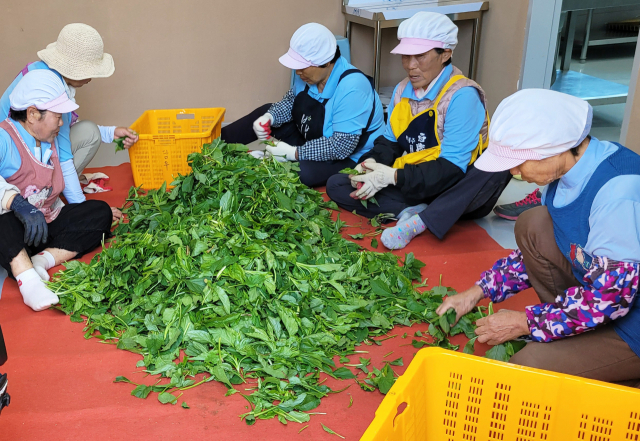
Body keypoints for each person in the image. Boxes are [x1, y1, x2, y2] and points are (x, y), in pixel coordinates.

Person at [437, 89, 640, 386]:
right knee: (534, 224)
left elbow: (611, 299)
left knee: (528, 368)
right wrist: (477, 292)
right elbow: (542, 248)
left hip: (630, 320)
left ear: (557, 147)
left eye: (522, 161)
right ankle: (577, 334)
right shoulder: (565, 172)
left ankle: (621, 368)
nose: (515, 171)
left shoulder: (617, 193)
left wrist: (526, 322)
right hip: (604, 294)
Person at [325, 12, 511, 249]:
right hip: (420, 180)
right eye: (406, 56)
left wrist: (392, 177)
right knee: (338, 183)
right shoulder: (402, 90)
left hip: (457, 186)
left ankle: (422, 218)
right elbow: (389, 142)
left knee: (495, 169)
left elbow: (452, 168)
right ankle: (415, 212)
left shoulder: (462, 96)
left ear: (445, 54)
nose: (410, 66)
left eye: (420, 56)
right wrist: (370, 165)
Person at [0, 70, 114, 312]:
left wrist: (77, 210)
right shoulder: (4, 138)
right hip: (15, 234)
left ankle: (41, 260)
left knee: (99, 212)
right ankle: (28, 280)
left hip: (43, 225)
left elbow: (61, 176)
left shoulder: (48, 138)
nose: (62, 123)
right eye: (57, 116)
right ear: (32, 114)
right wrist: (17, 203)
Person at [220, 23, 385, 187]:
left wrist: (294, 153)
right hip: (313, 135)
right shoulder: (309, 77)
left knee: (302, 173)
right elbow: (290, 103)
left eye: (303, 66)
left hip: (348, 155)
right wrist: (269, 117)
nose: (298, 72)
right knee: (265, 111)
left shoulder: (353, 88)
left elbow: (340, 146)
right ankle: (211, 145)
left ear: (326, 62)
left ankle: (272, 164)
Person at [0, 23, 139, 180]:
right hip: (14, 162)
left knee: (89, 130)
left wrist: (111, 133)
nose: (91, 78)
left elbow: (63, 127)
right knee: (84, 136)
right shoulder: (51, 88)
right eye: (90, 71)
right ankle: (47, 191)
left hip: (26, 150)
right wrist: (79, 203)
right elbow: (64, 155)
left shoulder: (42, 72)